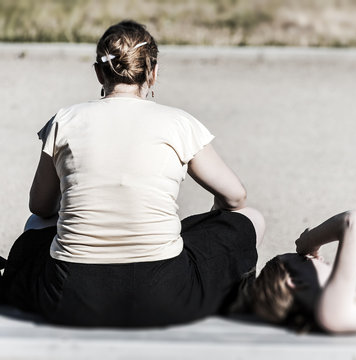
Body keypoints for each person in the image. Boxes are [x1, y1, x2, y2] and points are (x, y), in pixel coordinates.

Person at [0, 20, 265, 327]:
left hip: (69, 297)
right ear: (153, 73)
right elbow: (236, 197)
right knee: (251, 218)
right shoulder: (178, 123)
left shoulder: (65, 120)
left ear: (99, 73)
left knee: (37, 224)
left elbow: (40, 208)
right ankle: (236, 298)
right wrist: (215, 217)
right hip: (164, 296)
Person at [233, 210, 356, 333]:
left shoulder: (353, 300)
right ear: (294, 281)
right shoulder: (332, 315)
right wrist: (309, 241)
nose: (319, 257)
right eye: (305, 258)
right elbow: (354, 222)